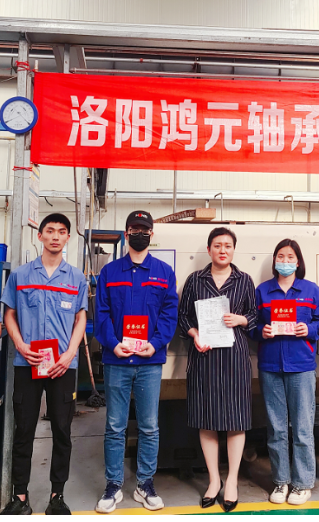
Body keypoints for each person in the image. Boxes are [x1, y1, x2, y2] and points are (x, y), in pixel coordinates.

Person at [0, 213, 88, 515]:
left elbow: (80, 318)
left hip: (63, 366)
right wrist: (21, 345)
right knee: (24, 428)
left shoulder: (76, 278)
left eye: (61, 232)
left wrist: (69, 354)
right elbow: (9, 314)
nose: (55, 236)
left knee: (62, 430)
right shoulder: (21, 276)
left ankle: (57, 496)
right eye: (50, 231)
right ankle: (20, 497)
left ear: (67, 238)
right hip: (28, 363)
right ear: (40, 236)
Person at [94, 211, 178, 513]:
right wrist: (113, 344)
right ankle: (113, 485)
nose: (139, 233)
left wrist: (154, 344)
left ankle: (145, 483)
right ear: (126, 233)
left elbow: (169, 313)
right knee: (115, 425)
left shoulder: (164, 272)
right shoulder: (110, 272)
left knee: (149, 426)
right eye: (134, 228)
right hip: (117, 359)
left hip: (149, 361)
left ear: (151, 234)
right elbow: (101, 312)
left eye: (145, 229)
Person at [178, 227, 257, 513]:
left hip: (235, 358)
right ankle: (214, 480)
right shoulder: (195, 280)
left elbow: (255, 315)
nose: (223, 250)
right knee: (207, 418)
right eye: (217, 245)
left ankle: (232, 480)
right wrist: (195, 334)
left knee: (236, 419)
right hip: (204, 356)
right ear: (209, 249)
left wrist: (241, 320)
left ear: (234, 249)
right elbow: (182, 316)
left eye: (228, 245)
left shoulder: (244, 280)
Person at [253, 239, 319, 506]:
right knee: (276, 428)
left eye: (290, 257)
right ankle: (281, 481)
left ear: (298, 262)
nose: (285, 261)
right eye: (280, 256)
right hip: (270, 366)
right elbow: (252, 324)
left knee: (303, 428)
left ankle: (302, 483)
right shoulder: (263, 291)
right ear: (275, 261)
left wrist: (309, 329)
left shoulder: (311, 290)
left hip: (301, 367)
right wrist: (261, 331)